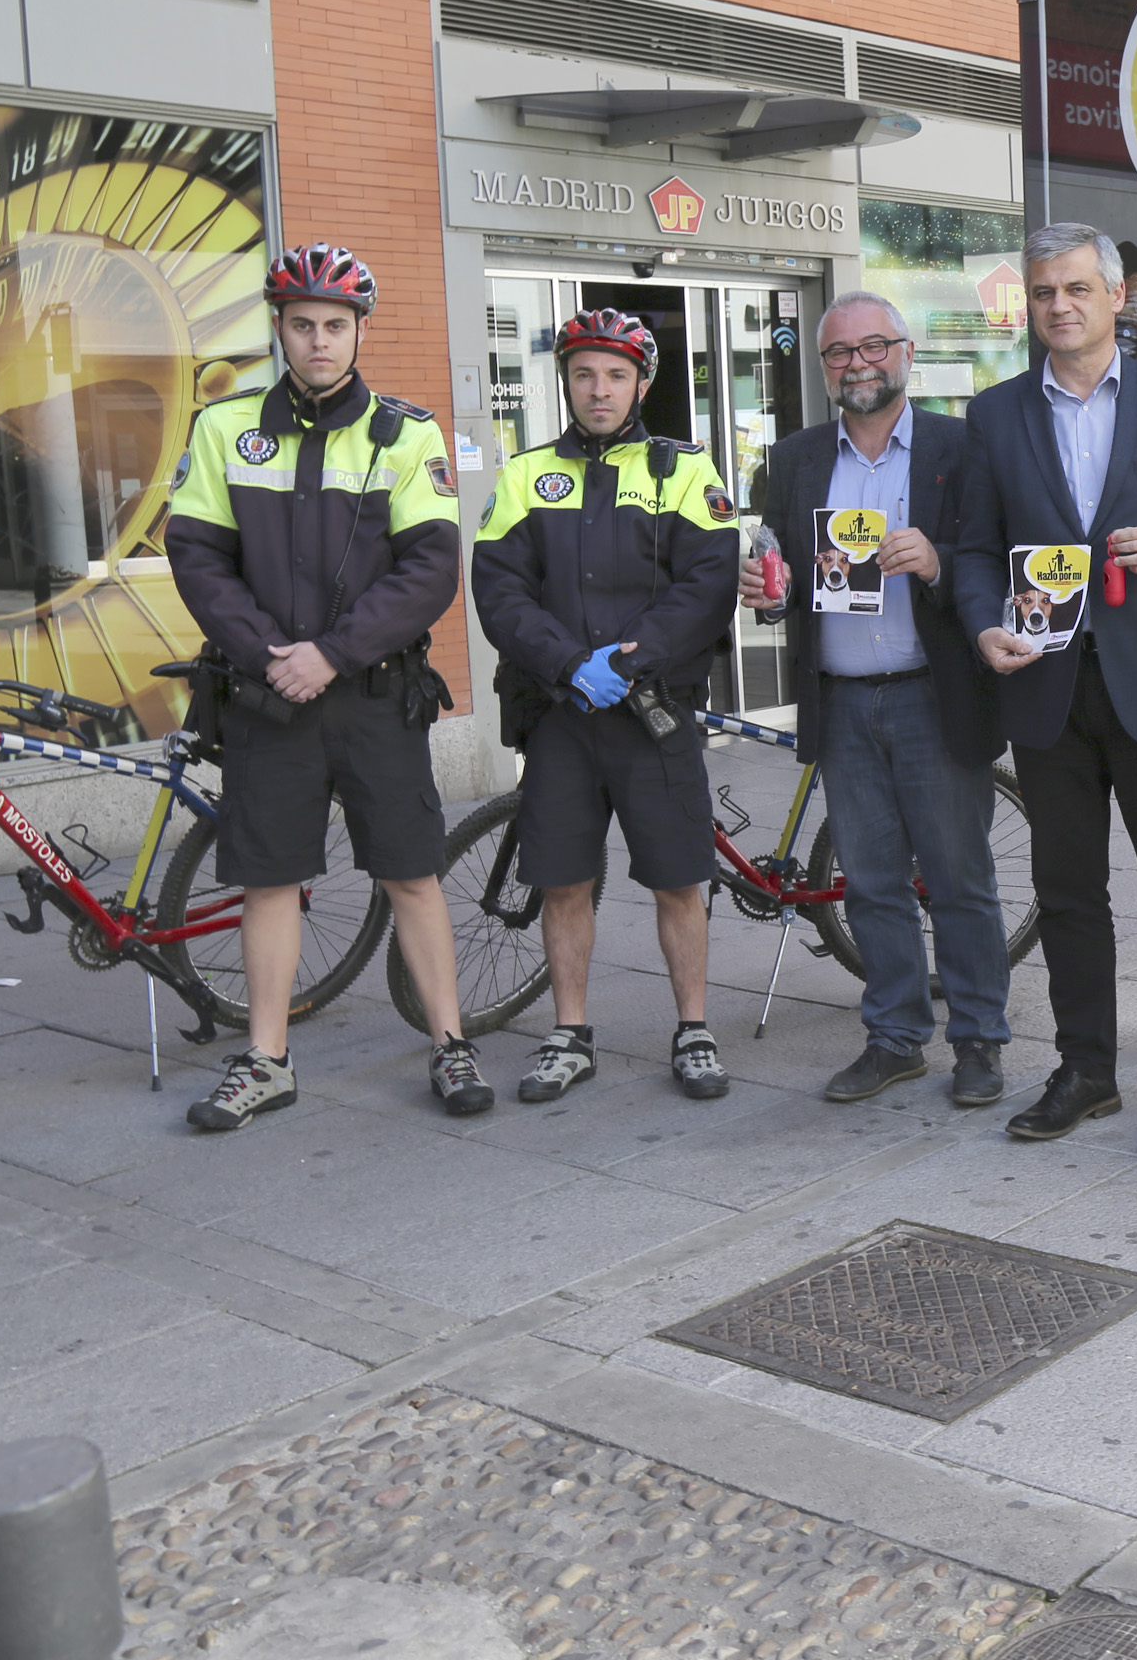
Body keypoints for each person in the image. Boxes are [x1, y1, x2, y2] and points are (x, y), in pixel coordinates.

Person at [165, 242, 475, 1128]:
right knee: (268, 881)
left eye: (334, 326)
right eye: (301, 325)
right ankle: (265, 1060)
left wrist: (331, 654)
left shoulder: (407, 433)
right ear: (280, 329)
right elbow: (196, 557)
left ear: (358, 331)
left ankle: (450, 1044)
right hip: (269, 697)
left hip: (374, 694)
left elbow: (428, 568)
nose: (318, 341)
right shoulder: (224, 429)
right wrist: (272, 653)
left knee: (412, 873)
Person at [955, 223, 1137, 1148]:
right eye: (1044, 293)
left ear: (1115, 297)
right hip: (1047, 689)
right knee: (1069, 893)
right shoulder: (995, 415)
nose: (1060, 307)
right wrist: (981, 623)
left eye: (1077, 289)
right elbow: (972, 549)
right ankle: (1086, 1070)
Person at [740, 292, 1012, 1108]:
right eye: (838, 353)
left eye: (873, 347)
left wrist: (937, 559)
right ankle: (895, 1038)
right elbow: (781, 574)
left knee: (959, 879)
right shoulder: (792, 461)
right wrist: (764, 588)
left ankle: (979, 1042)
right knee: (871, 882)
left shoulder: (963, 450)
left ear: (906, 354)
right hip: (843, 702)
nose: (857, 363)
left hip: (935, 695)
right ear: (822, 368)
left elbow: (996, 557)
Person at [474, 307, 740, 1106]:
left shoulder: (686, 470)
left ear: (642, 384)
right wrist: (567, 663)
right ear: (565, 380)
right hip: (562, 717)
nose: (599, 390)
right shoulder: (525, 474)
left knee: (678, 879)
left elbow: (708, 585)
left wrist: (627, 661)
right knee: (562, 880)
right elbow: (499, 588)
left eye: (616, 375)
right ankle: (570, 1033)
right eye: (584, 374)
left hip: (653, 715)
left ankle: (693, 1028)